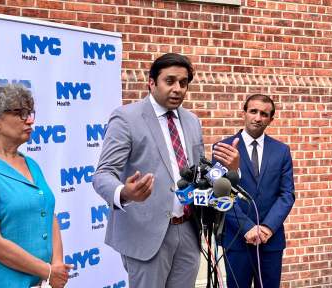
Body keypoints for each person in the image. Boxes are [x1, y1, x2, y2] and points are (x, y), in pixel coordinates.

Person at [93, 53, 239, 288]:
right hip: (146, 234)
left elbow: (197, 174)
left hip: (188, 231)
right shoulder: (126, 118)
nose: (178, 89)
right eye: (169, 81)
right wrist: (125, 193)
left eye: (183, 83)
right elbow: (102, 175)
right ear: (151, 83)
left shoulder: (192, 121)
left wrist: (227, 168)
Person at [0, 84, 72, 288]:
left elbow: (49, 213)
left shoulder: (31, 164)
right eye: (20, 113)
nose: (29, 120)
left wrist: (56, 266)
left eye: (29, 113)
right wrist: (48, 271)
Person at [219, 94, 295, 288]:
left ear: (271, 119)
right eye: (253, 111)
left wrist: (267, 227)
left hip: (270, 241)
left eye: (264, 114)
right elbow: (220, 193)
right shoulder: (224, 148)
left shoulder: (281, 151)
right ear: (243, 113)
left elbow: (287, 194)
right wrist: (247, 227)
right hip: (237, 240)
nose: (258, 117)